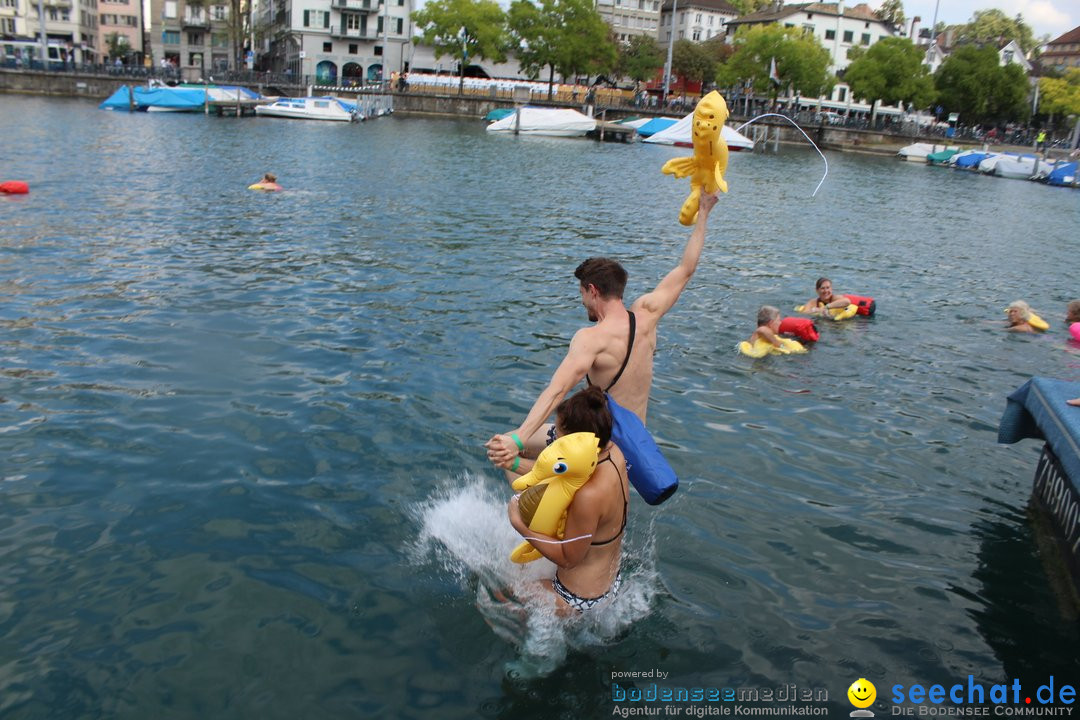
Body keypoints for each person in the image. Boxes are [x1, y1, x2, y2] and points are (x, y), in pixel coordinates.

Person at [485, 191, 720, 468]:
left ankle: (528, 507)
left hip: (597, 444)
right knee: (530, 451)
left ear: (593, 291)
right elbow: (686, 268)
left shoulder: (591, 339)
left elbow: (557, 390)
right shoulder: (647, 315)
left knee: (506, 446)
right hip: (634, 441)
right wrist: (704, 212)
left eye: (582, 292)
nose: (582, 299)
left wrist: (520, 439)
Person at [504, 385, 629, 613]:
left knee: (501, 593)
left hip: (577, 598)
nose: (554, 439)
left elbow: (567, 559)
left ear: (576, 441)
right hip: (610, 581)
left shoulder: (588, 494)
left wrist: (520, 525)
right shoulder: (615, 454)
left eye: (558, 436)